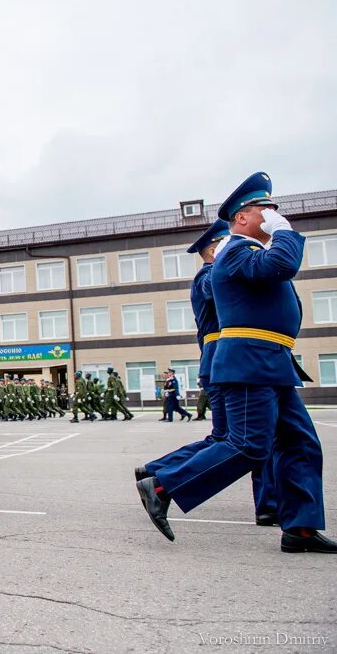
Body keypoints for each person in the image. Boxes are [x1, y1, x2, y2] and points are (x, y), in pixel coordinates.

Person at [136, 172, 334, 552]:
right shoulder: (234, 252)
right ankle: (162, 485)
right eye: (266, 209)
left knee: (301, 444)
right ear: (242, 218)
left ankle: (301, 528)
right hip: (247, 361)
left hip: (272, 362)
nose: (273, 214)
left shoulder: (249, 252)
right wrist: (285, 231)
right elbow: (282, 266)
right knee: (248, 445)